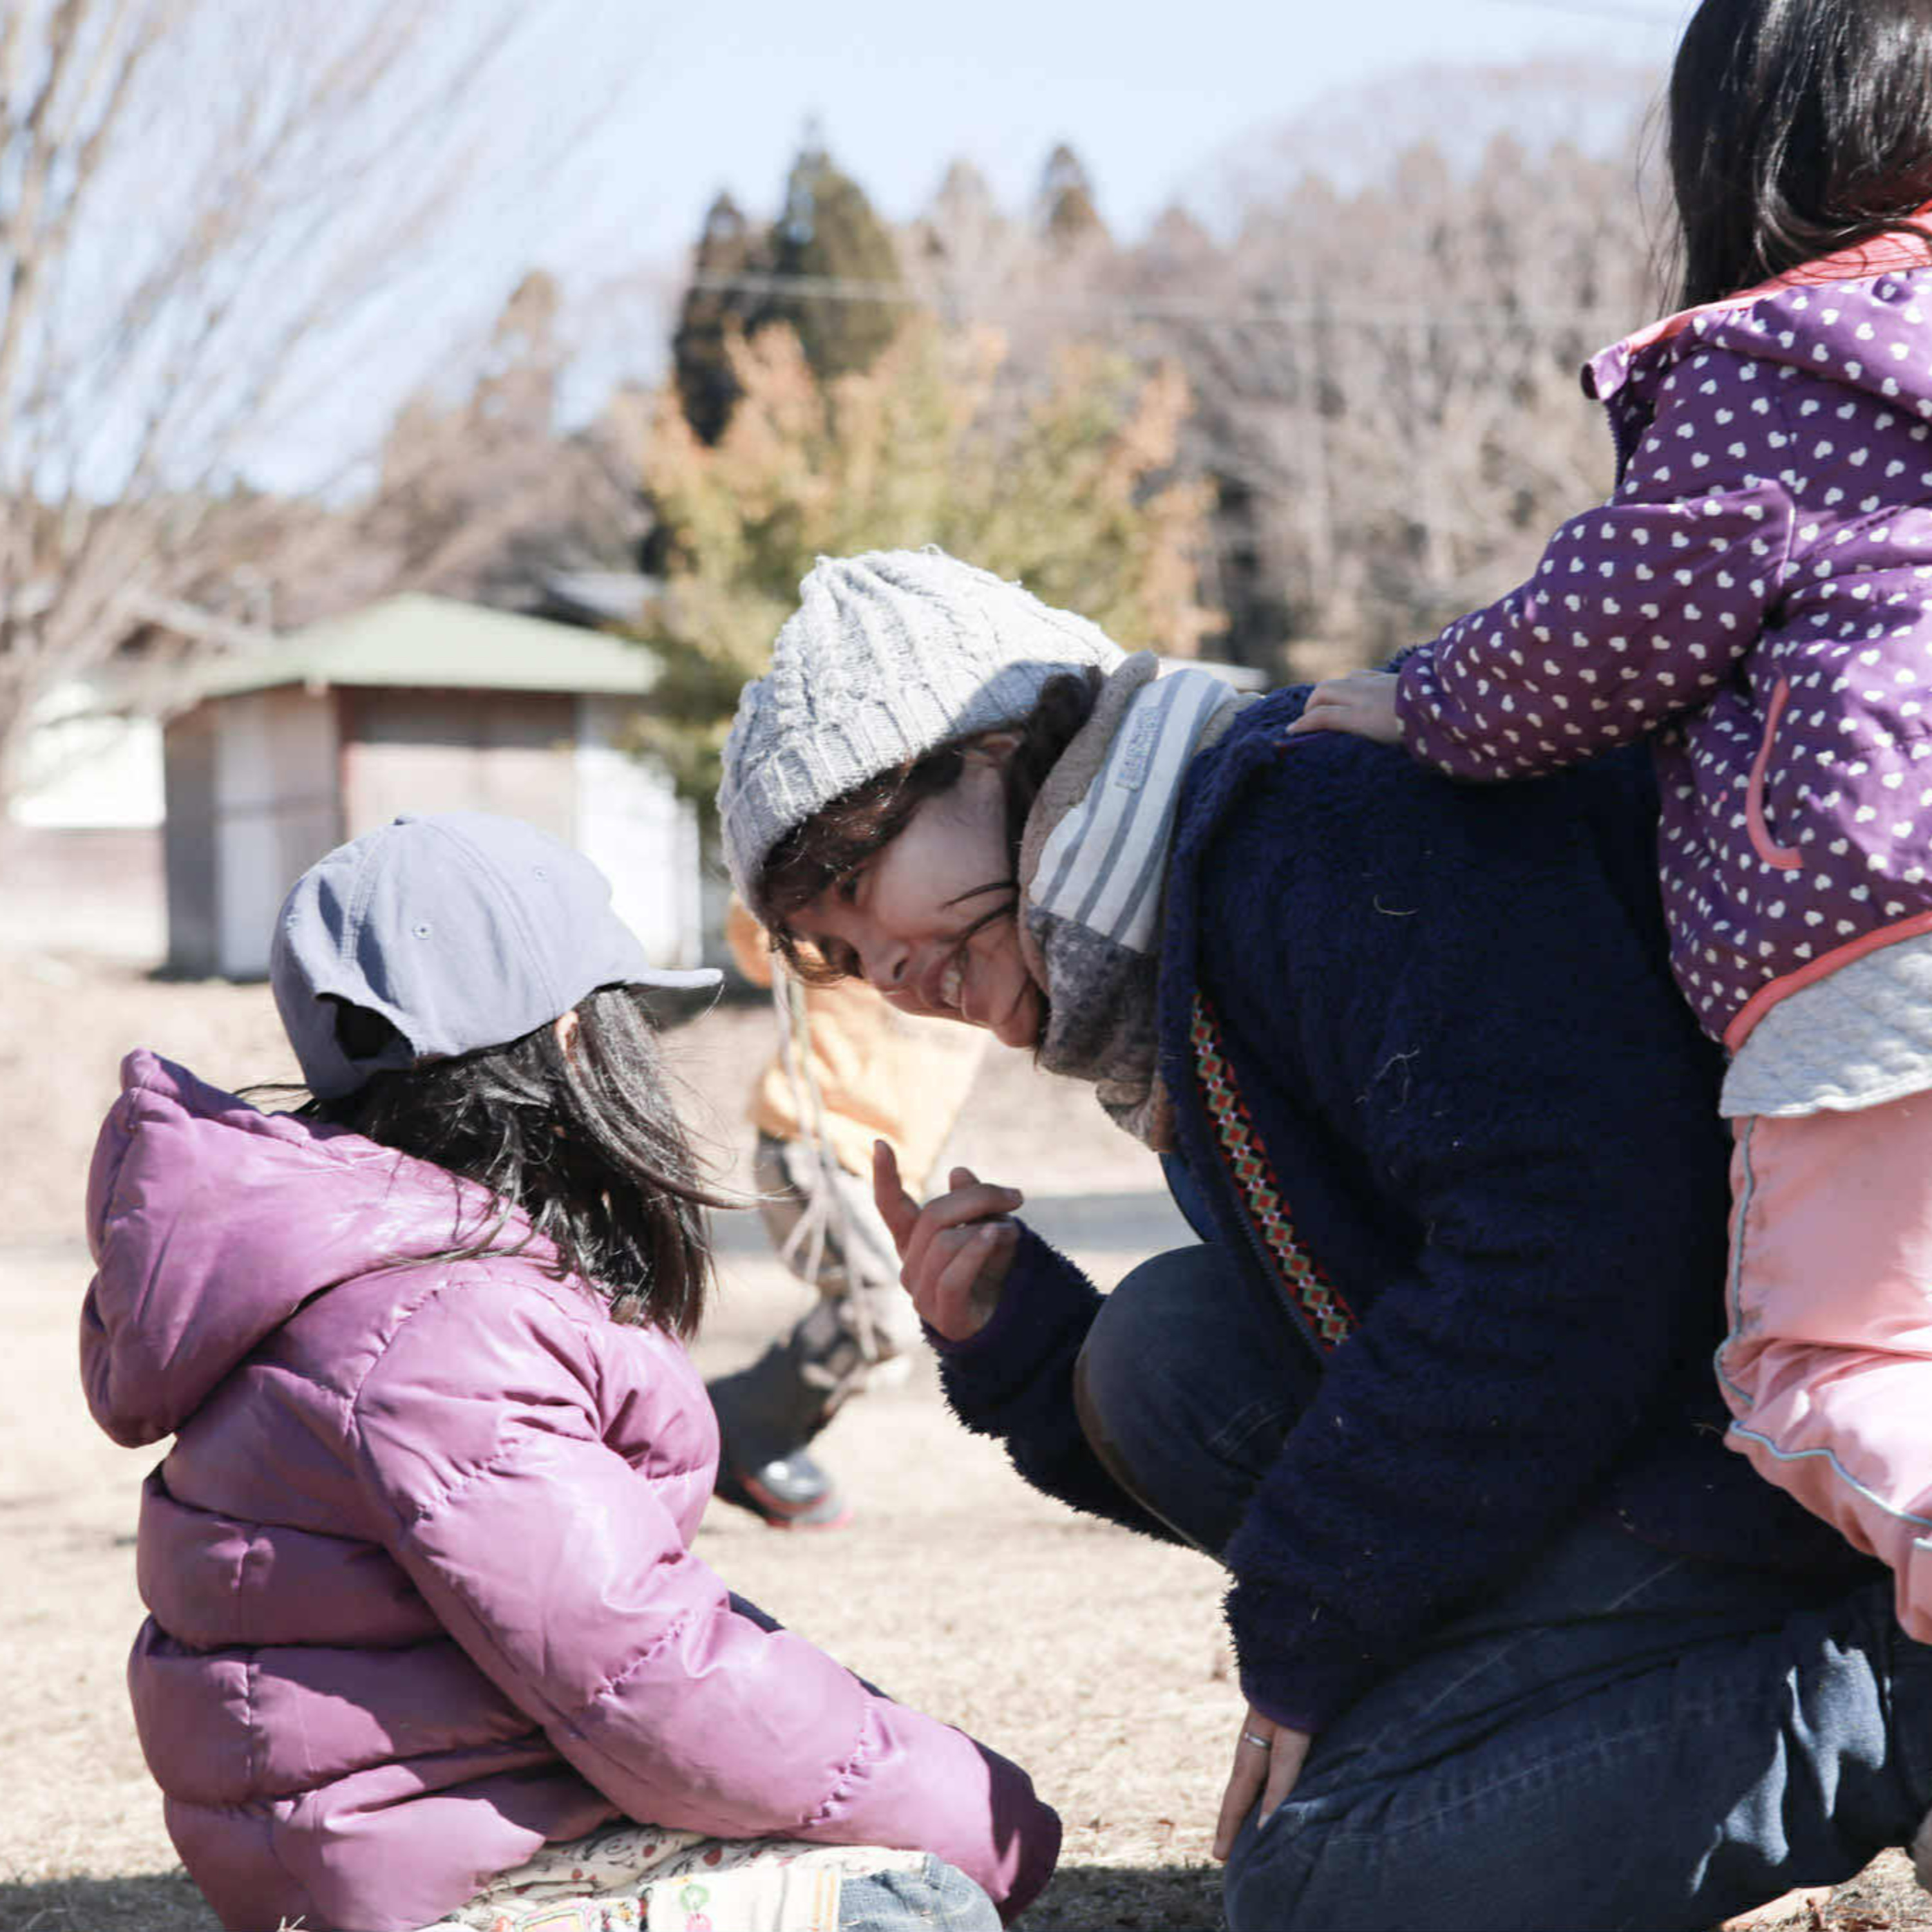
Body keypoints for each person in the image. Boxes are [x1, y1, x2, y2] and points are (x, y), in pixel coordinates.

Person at [716, 545, 1932, 1932]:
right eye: (833, 947)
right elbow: (1328, 1357)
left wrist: (1312, 1626)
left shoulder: (1318, 829)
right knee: (1149, 1353)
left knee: (1315, 1891)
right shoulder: (1188, 924)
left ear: (997, 747)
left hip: (1763, 1466)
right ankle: (1537, 1717)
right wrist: (1017, 1341)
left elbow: (1570, 1260)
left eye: (861, 878)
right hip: (1634, 1431)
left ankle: (1896, 1698)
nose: (884, 968)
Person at [77, 811, 1057, 1932]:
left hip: (394, 1845)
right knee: (911, 1906)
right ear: (576, 1041)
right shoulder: (440, 1328)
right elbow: (652, 1679)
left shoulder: (388, 1282)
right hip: (433, 1884)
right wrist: (990, 1819)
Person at [1291, 0, 1932, 1647]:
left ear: (1744, 145)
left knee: (1828, 1368)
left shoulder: (1780, 365)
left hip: (1876, 941)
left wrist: (1420, 697)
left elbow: (1590, 647)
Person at [707, 897, 985, 1531]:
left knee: (899, 1329)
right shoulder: (843, 925)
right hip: (817, 1142)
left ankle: (761, 1437)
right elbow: (756, 943)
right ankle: (736, 1427)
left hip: (890, 1169)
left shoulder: (975, 951)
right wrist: (766, 878)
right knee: (876, 1313)